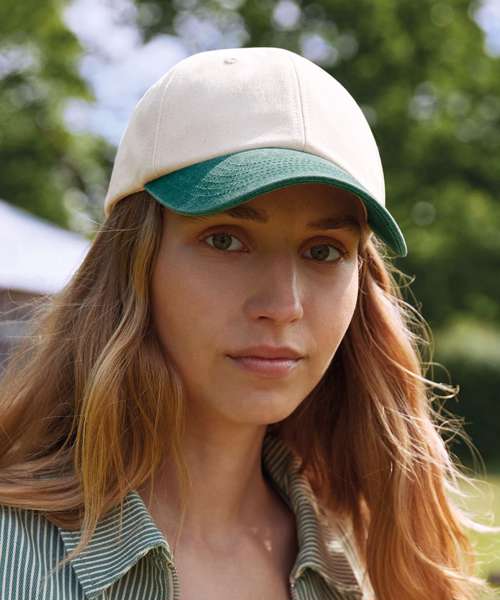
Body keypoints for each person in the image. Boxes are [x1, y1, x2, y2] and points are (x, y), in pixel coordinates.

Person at [0, 46, 498, 600]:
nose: (283, 305)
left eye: (324, 250)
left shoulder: (369, 567)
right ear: (133, 263)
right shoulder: (13, 555)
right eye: (225, 240)